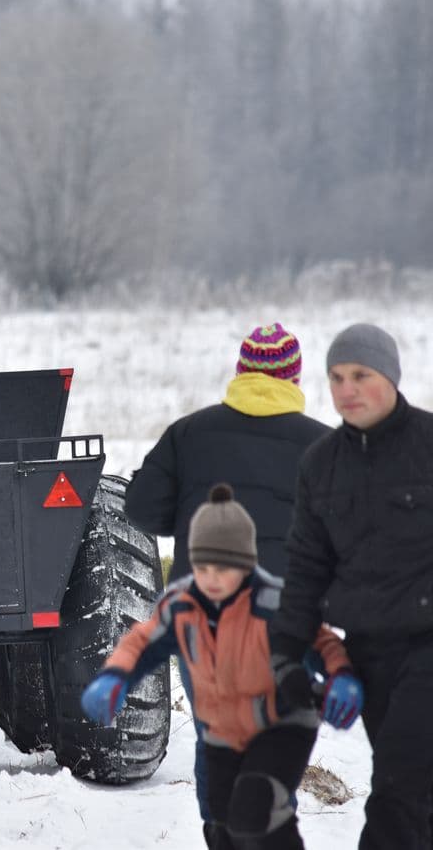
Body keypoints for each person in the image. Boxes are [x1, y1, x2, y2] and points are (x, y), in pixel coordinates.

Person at [123, 323, 331, 822]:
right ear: (294, 377)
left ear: (241, 372)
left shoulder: (190, 433)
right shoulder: (325, 447)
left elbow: (141, 508)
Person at [83, 484, 362, 850]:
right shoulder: (183, 608)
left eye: (223, 567)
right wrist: (116, 675)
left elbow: (321, 641)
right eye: (203, 566)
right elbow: (141, 642)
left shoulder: (272, 603)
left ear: (245, 564)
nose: (211, 577)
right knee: (220, 824)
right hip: (223, 732)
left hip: (281, 723)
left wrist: (341, 676)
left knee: (255, 808)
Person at [269, 323, 433, 849]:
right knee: (413, 789)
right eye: (336, 377)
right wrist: (284, 659)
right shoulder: (321, 464)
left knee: (395, 789)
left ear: (390, 375)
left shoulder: (428, 445)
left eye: (361, 375)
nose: (347, 388)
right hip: (369, 651)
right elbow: (306, 569)